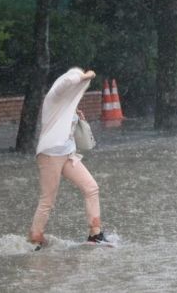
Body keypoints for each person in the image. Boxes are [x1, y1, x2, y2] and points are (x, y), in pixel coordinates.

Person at [28, 67, 108, 249]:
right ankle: (35, 239)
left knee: (91, 188)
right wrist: (86, 75)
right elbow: (68, 82)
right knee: (47, 200)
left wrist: (78, 120)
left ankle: (95, 235)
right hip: (50, 154)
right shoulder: (55, 95)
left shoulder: (69, 106)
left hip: (68, 155)